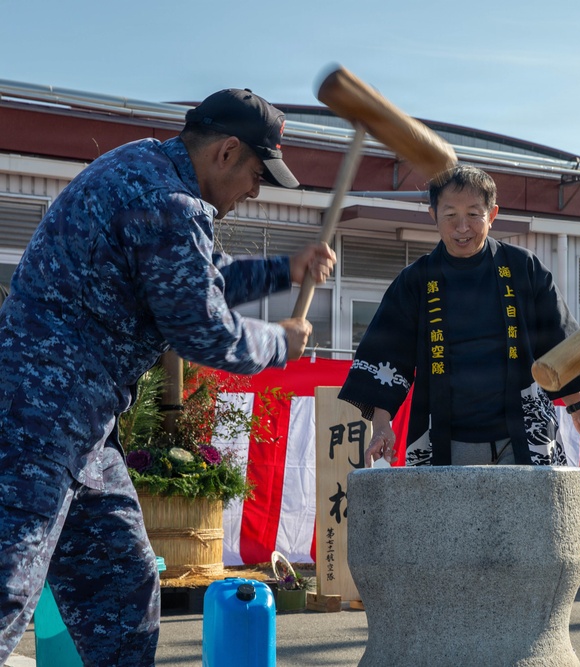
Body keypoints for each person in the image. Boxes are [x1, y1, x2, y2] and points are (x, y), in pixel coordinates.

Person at [0, 88, 335, 665]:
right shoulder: (168, 202)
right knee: (8, 587)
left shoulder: (142, 166)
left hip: (84, 428)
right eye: (258, 174)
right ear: (227, 152)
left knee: (123, 585)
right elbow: (202, 329)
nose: (256, 190)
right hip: (36, 417)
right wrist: (281, 342)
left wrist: (286, 270)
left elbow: (196, 276)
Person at [339, 165, 580, 467]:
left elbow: (557, 342)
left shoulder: (522, 268)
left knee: (531, 513)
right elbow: (387, 353)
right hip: (444, 436)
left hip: (523, 431)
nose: (462, 227)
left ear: (492, 215)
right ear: (433, 215)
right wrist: (381, 425)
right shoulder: (416, 280)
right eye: (450, 215)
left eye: (473, 215)